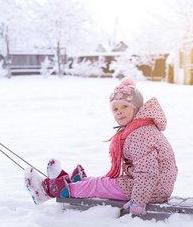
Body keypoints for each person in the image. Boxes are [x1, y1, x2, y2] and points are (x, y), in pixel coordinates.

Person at [24, 77, 178, 215]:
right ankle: (76, 183)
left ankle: (49, 190)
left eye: (125, 106)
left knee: (99, 186)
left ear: (136, 108)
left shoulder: (141, 133)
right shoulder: (140, 128)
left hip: (151, 190)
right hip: (150, 186)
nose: (119, 113)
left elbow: (147, 172)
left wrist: (138, 202)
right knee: (101, 183)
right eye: (115, 109)